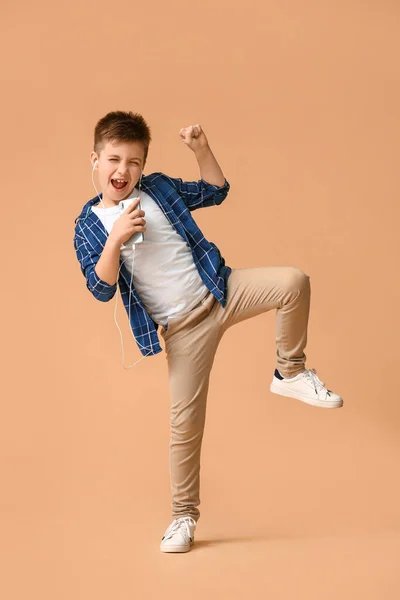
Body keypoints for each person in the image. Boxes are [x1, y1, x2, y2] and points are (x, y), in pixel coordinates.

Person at [73, 110, 344, 554]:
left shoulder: (158, 188)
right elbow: (100, 288)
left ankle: (290, 372)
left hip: (221, 289)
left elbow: (217, 190)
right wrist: (116, 238)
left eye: (134, 161)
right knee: (185, 426)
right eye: (114, 159)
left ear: (144, 164)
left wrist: (200, 149)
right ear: (95, 160)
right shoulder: (88, 226)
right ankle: (183, 517)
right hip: (182, 331)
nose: (123, 170)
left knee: (294, 282)